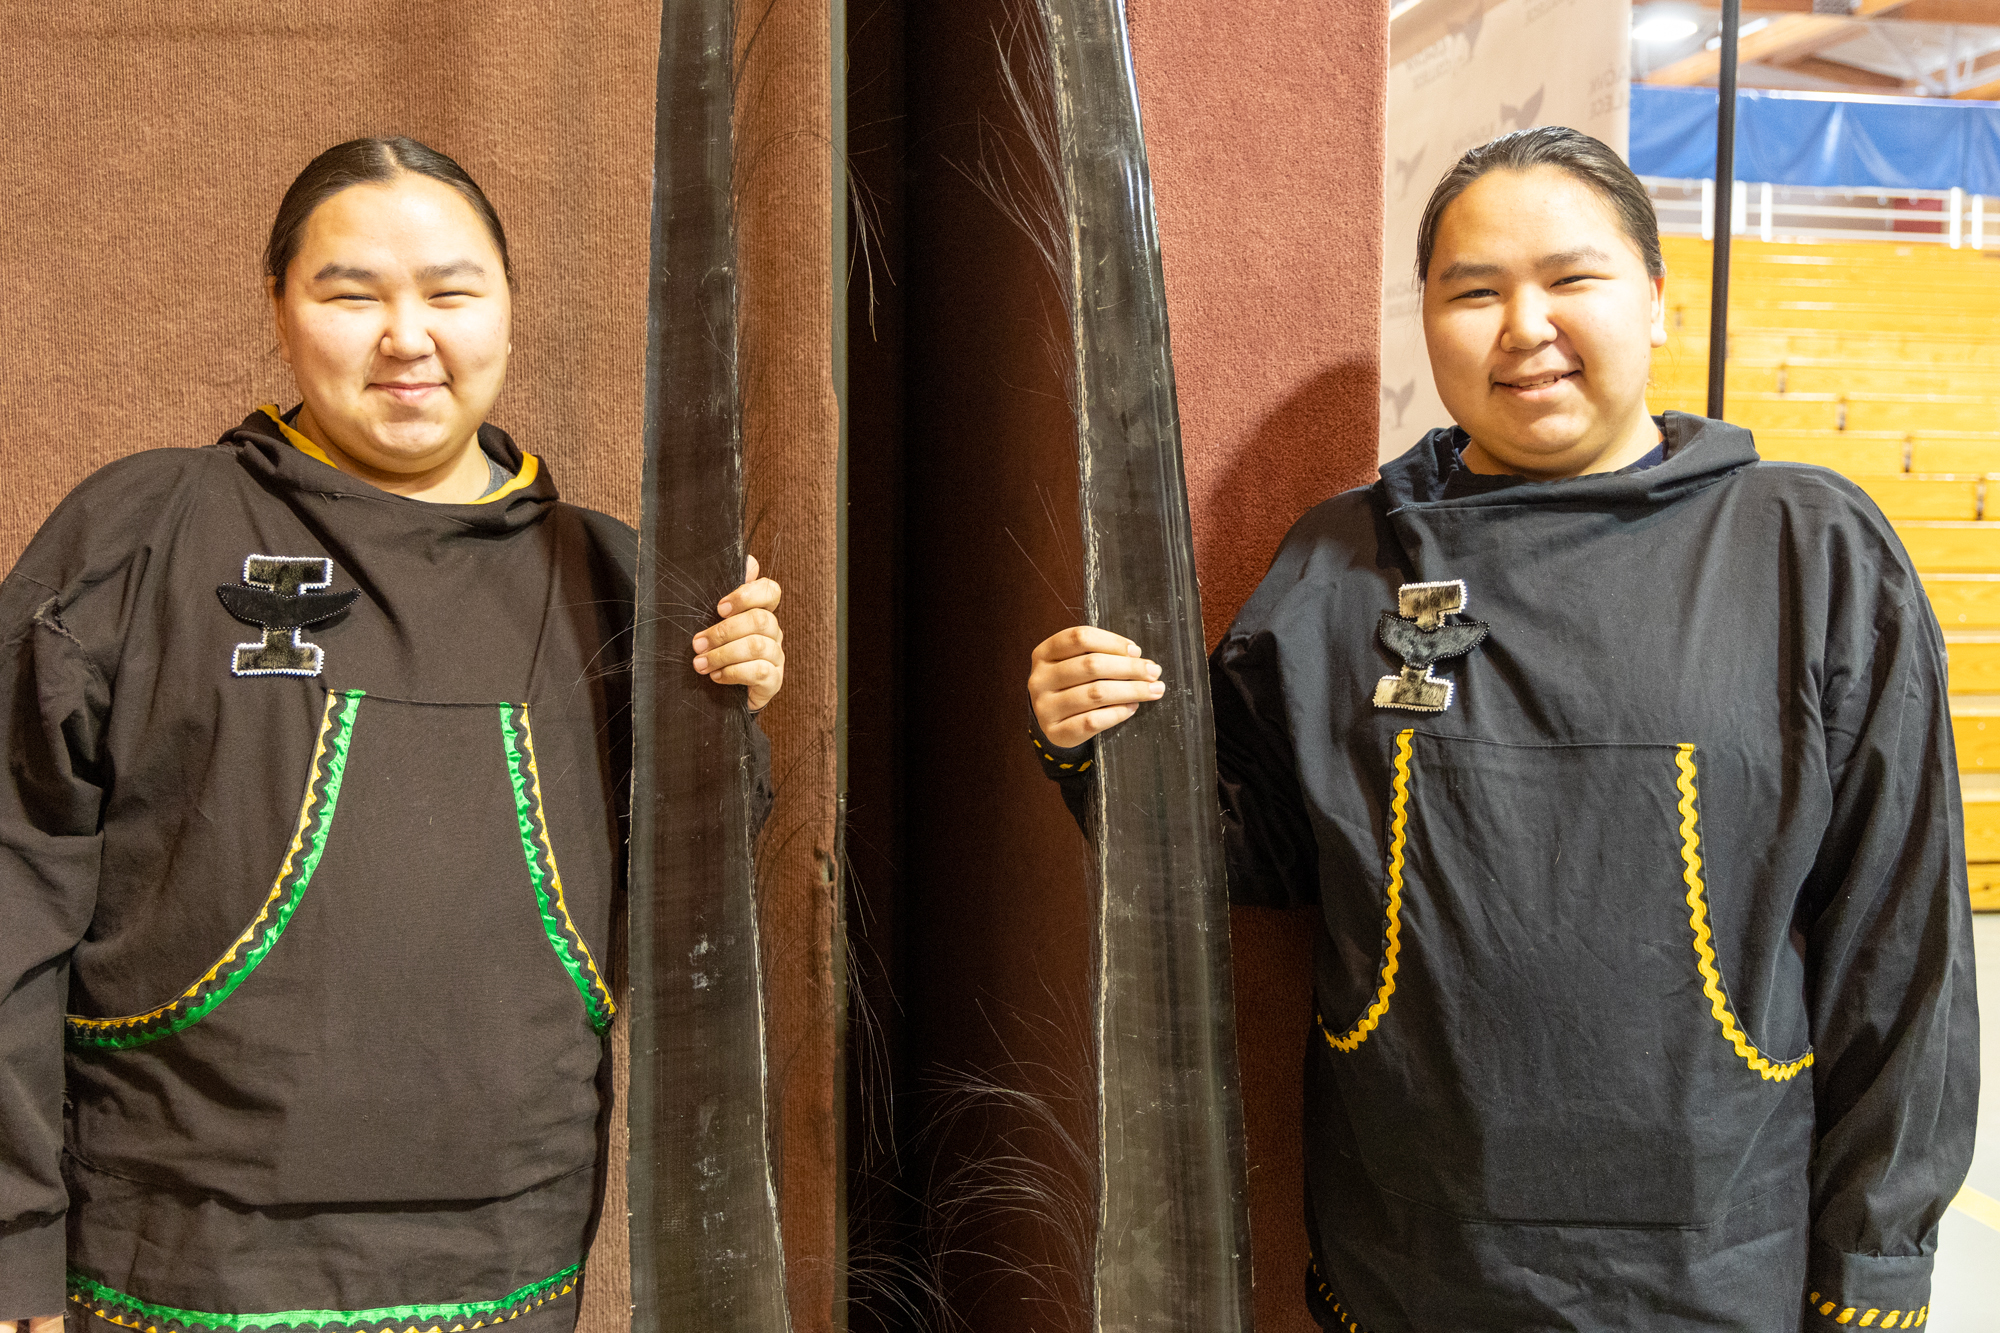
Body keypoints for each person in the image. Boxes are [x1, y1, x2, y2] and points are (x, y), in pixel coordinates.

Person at [1027, 127, 1977, 1331]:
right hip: (1411, 1256)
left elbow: (1900, 943)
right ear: (1424, 319)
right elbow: (1250, 847)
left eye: (1568, 279)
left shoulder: (1808, 549)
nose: (1522, 325)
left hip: (1712, 1268)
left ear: (1652, 297)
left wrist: (1873, 1268)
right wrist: (1095, 742)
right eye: (1472, 291)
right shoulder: (1342, 558)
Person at [0, 137, 786, 1333]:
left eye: (452, 292)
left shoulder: (617, 578)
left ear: (510, 311)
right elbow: (12, 886)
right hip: (173, 1260)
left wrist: (726, 726)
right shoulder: (141, 534)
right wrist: (11, 1254)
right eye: (350, 292)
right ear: (277, 306)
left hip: (508, 1259)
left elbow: (689, 929)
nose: (406, 336)